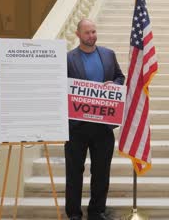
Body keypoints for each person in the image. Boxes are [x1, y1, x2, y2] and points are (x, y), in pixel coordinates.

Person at [66, 19, 125, 220]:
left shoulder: (108, 55)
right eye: (87, 33)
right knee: (74, 173)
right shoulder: (68, 58)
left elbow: (120, 77)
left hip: (103, 125)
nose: (91, 36)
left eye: (94, 32)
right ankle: (74, 214)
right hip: (76, 127)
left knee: (101, 174)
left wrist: (113, 84)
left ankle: (96, 212)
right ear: (78, 34)